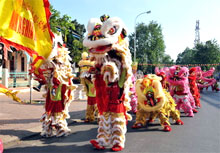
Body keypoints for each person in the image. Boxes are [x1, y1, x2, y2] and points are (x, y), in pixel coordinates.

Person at [83, 15, 133, 151]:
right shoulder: (101, 58)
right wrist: (94, 73)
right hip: (103, 90)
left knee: (116, 116)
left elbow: (125, 72)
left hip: (116, 90)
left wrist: (121, 86)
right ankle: (103, 140)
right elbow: (98, 69)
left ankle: (117, 142)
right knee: (104, 115)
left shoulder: (120, 55)